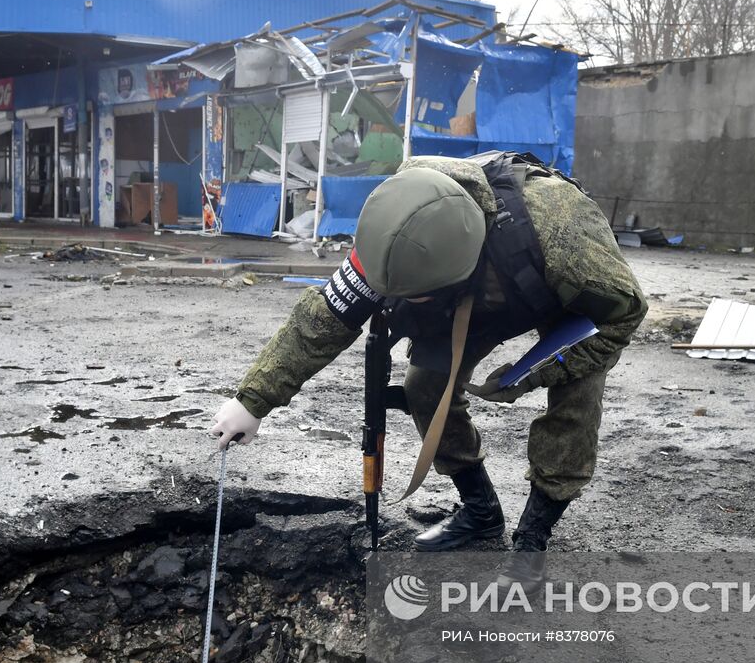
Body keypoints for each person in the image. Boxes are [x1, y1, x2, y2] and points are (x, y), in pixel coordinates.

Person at [211, 151, 646, 573]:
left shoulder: (564, 235)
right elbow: (322, 321)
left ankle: (533, 539)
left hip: (556, 291)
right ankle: (481, 510)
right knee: (425, 388)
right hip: (472, 294)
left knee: (576, 407)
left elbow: (624, 314)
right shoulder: (395, 229)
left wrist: (536, 374)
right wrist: (251, 402)